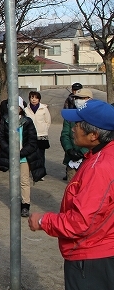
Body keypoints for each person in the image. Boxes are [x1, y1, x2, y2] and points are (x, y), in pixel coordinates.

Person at [28, 99, 114, 289]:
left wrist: (44, 221)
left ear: (94, 135)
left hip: (92, 258)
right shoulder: (103, 156)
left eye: (78, 124)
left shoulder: (100, 168)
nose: (73, 128)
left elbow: (82, 222)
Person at [0, 97, 45, 217]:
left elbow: (32, 141)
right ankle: (15, 202)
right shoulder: (5, 120)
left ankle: (25, 205)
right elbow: (1, 138)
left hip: (24, 157)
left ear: (21, 109)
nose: (14, 110)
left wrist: (22, 153)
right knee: (14, 181)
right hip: (11, 156)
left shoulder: (27, 121)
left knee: (24, 181)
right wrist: (10, 151)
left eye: (17, 108)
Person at [60, 88, 92, 182]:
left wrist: (81, 153)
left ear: (89, 99)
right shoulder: (70, 116)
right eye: (76, 98)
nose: (78, 100)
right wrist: (69, 150)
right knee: (72, 190)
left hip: (88, 159)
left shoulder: (94, 117)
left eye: (81, 98)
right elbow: (64, 135)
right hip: (71, 160)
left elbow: (96, 138)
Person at [24, 91, 51, 180]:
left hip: (41, 135)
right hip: (30, 135)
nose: (34, 100)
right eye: (32, 98)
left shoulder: (44, 109)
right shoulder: (26, 109)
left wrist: (44, 129)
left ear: (39, 99)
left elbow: (48, 121)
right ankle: (31, 171)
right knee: (30, 154)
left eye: (35, 98)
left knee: (40, 155)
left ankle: (41, 174)